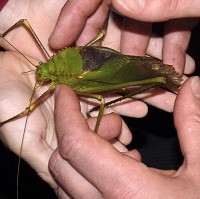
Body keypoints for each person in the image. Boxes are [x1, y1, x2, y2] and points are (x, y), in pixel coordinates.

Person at [0, 0, 198, 197]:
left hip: (91, 73)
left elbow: (24, 21)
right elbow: (24, 21)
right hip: (90, 59)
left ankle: (158, 77)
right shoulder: (61, 55)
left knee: (107, 97)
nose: (40, 74)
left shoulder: (63, 78)